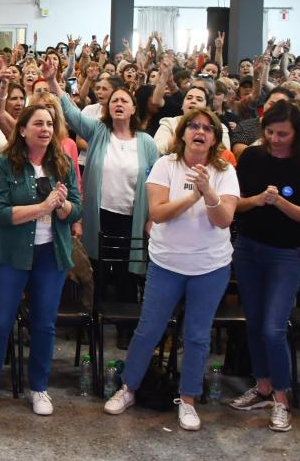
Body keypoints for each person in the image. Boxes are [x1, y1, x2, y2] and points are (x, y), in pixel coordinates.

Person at [104, 108, 239, 431]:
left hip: (210, 267)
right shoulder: (166, 166)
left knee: (196, 335)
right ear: (183, 134)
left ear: (214, 139)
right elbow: (159, 213)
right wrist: (194, 196)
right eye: (194, 126)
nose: (200, 132)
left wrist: (208, 193)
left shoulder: (224, 171)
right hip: (167, 264)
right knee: (149, 328)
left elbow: (224, 220)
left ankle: (188, 399)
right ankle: (129, 388)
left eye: (207, 128)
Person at [0, 104, 81, 416]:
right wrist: (41, 208)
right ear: (23, 129)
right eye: (38, 123)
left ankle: (39, 387)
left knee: (44, 324)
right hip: (12, 255)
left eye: (50, 124)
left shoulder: (63, 162)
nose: (45, 129)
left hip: (51, 255)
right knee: (0, 322)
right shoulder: (5, 163)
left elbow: (78, 209)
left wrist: (62, 206)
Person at [229, 100, 300, 432]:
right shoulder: (253, 158)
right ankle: (263, 385)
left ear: (297, 133)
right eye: (269, 132)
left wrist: (279, 201)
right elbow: (236, 205)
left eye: (282, 134)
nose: (274, 139)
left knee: (273, 328)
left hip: (286, 254)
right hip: (248, 249)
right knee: (255, 324)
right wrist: (258, 200)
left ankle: (282, 398)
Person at [50, 58, 157, 348]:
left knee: (126, 275)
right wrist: (53, 82)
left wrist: (151, 218)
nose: (118, 104)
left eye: (124, 100)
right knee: (95, 270)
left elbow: (157, 184)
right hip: (100, 216)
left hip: (131, 218)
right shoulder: (99, 133)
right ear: (108, 108)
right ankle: (91, 325)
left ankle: (124, 330)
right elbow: (70, 113)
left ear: (134, 108)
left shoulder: (147, 142)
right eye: (114, 101)